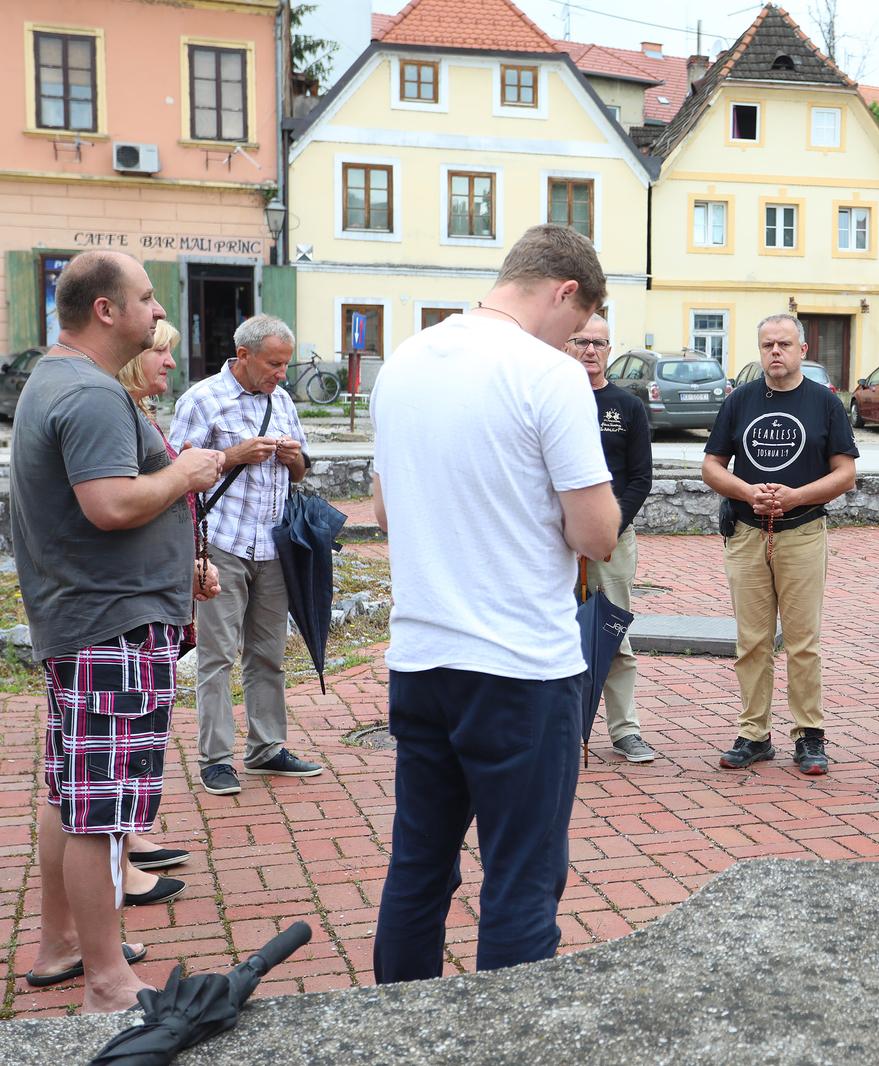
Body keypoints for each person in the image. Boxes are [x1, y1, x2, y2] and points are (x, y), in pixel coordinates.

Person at [370, 225, 618, 982]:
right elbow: (597, 533)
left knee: (419, 866)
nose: (576, 344)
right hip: (519, 666)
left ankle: (396, 1031)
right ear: (565, 291)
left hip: (420, 656)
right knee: (522, 875)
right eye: (577, 329)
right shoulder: (548, 375)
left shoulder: (404, 362)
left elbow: (384, 514)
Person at [12, 250, 223, 1011]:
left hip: (88, 619)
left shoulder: (55, 376)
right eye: (145, 298)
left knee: (71, 793)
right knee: (102, 809)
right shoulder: (94, 394)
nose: (158, 310)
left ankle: (63, 944)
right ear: (106, 310)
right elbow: (109, 504)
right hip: (112, 629)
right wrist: (186, 475)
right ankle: (106, 980)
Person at [170, 314, 322, 797]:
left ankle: (266, 747)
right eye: (274, 363)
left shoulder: (281, 400)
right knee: (216, 657)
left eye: (286, 364)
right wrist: (235, 455)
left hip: (272, 546)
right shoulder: (202, 399)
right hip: (223, 545)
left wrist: (293, 457)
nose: (282, 373)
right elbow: (175, 474)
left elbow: (300, 473)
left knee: (268, 654)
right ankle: (216, 759)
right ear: (244, 356)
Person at [703, 314, 858, 776]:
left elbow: (845, 473)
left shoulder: (824, 404)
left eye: (784, 344)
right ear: (759, 349)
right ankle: (754, 734)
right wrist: (746, 491)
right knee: (751, 641)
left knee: (802, 642)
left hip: (803, 532)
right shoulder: (740, 400)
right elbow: (712, 465)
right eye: (767, 344)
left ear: (803, 350)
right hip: (748, 533)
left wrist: (796, 496)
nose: (775, 352)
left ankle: (810, 735)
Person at [109, 320, 198, 905]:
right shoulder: (116, 416)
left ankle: (132, 837)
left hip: (158, 590)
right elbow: (123, 506)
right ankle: (118, 858)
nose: (169, 362)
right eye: (160, 353)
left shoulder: (141, 416)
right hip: (128, 606)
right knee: (116, 741)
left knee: (143, 729)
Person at [565, 312, 657, 763]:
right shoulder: (553, 400)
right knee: (554, 632)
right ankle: (558, 725)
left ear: (609, 350)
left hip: (612, 542)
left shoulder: (627, 406)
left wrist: (606, 530)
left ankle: (625, 730)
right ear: (566, 345)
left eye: (599, 343)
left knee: (613, 633)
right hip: (556, 543)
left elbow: (640, 478)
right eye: (581, 341)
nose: (589, 351)